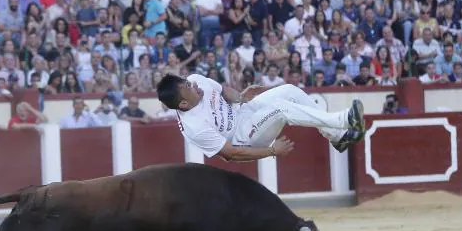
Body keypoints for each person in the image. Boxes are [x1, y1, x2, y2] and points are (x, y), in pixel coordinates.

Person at [155, 74, 365, 162]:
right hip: (244, 137)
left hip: (244, 111)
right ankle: (343, 120)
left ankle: (337, 136)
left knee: (289, 90)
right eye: (188, 87)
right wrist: (272, 151)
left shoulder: (195, 79)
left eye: (188, 81)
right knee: (281, 108)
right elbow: (231, 154)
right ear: (183, 104)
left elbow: (222, 90)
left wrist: (240, 97)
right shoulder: (193, 127)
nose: (193, 84)